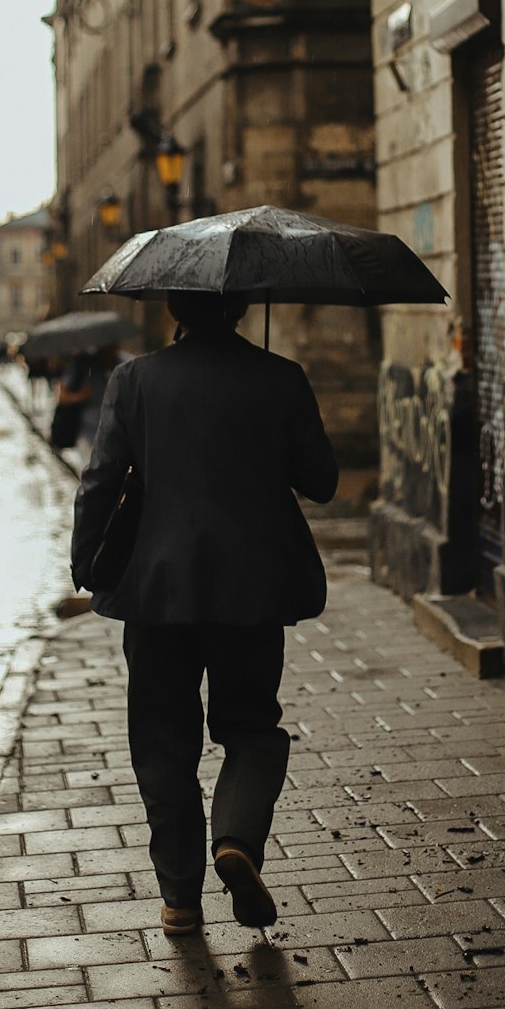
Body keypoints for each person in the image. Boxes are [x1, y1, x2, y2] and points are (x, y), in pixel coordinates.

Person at [70, 290, 338, 938]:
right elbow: (323, 480)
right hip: (253, 587)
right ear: (245, 307)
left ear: (172, 309)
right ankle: (236, 841)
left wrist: (86, 564)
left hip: (156, 590)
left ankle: (179, 899)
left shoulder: (134, 380)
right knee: (251, 728)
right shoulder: (280, 377)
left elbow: (100, 479)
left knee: (162, 740)